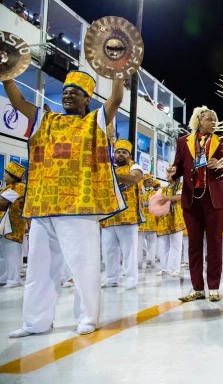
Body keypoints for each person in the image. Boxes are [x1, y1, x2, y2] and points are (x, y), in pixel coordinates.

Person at [3, 70, 125, 337]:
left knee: (83, 265)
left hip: (79, 207)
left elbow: (116, 99)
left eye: (75, 93)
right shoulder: (46, 120)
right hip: (43, 204)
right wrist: (6, 77)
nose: (68, 95)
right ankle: (35, 322)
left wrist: (118, 71)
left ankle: (87, 317)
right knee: (39, 268)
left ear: (86, 100)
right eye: (66, 92)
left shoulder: (95, 121)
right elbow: (18, 103)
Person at [167, 106, 223, 302]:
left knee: (215, 244)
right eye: (209, 119)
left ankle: (214, 287)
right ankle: (197, 288)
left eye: (215, 120)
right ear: (198, 121)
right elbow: (178, 166)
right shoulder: (182, 142)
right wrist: (172, 172)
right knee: (193, 246)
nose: (213, 122)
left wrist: (222, 165)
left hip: (213, 199)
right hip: (191, 199)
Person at [100, 139, 144, 290]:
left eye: (124, 152)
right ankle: (111, 278)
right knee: (108, 251)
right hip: (109, 216)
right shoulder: (110, 168)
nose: (120, 155)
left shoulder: (135, 167)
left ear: (129, 155)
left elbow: (134, 179)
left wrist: (109, 174)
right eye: (117, 152)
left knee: (129, 251)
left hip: (127, 216)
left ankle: (131, 280)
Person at [0, 161, 28, 288]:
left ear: (13, 175)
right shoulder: (11, 187)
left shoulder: (19, 187)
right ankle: (8, 276)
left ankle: (14, 279)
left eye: (6, 173)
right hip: (8, 224)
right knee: (7, 251)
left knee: (12, 252)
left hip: (13, 224)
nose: (4, 175)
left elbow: (2, 201)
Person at [139, 174, 159, 269]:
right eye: (148, 182)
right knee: (138, 244)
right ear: (144, 182)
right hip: (141, 221)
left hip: (152, 221)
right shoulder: (139, 191)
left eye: (151, 182)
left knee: (152, 242)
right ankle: (138, 262)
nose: (151, 184)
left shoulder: (155, 193)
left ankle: (150, 261)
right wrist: (143, 204)